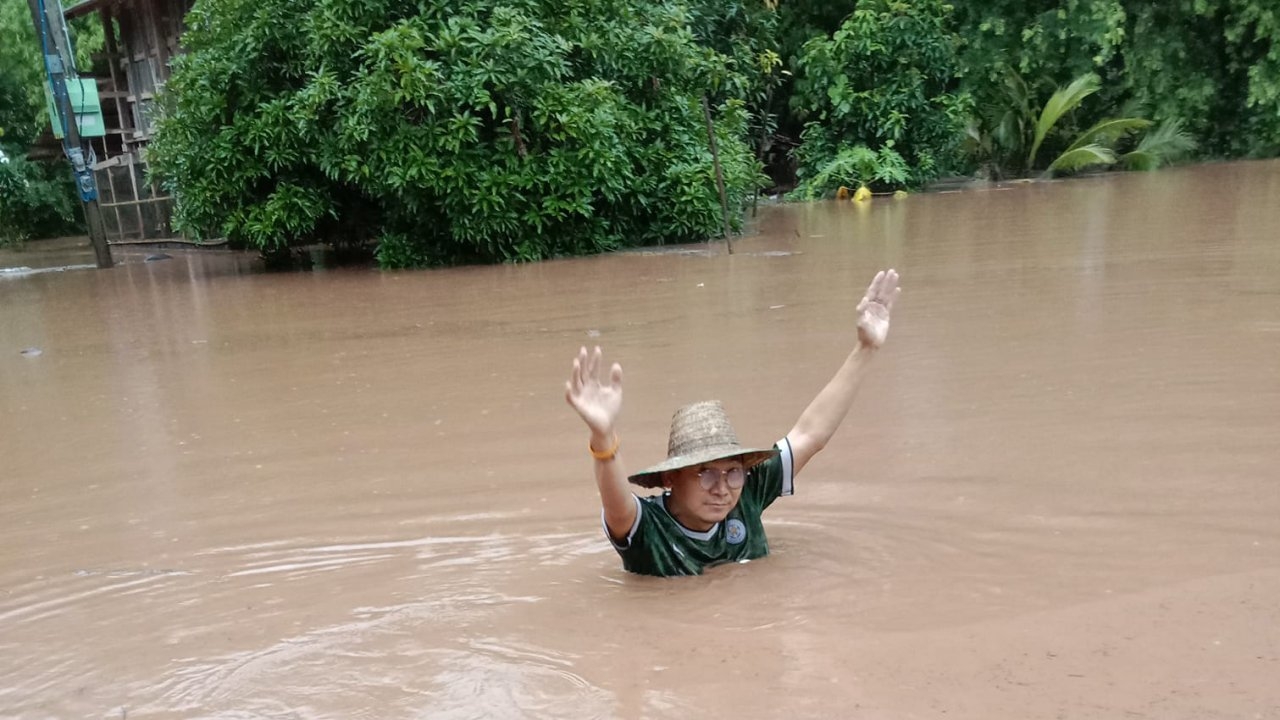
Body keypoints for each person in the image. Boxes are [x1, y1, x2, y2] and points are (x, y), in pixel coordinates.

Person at [565, 269, 901, 577]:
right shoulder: (647, 528)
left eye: (733, 472)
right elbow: (616, 503)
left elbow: (811, 434)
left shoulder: (748, 494)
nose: (723, 489)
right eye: (706, 473)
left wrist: (865, 348)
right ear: (671, 477)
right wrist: (602, 434)